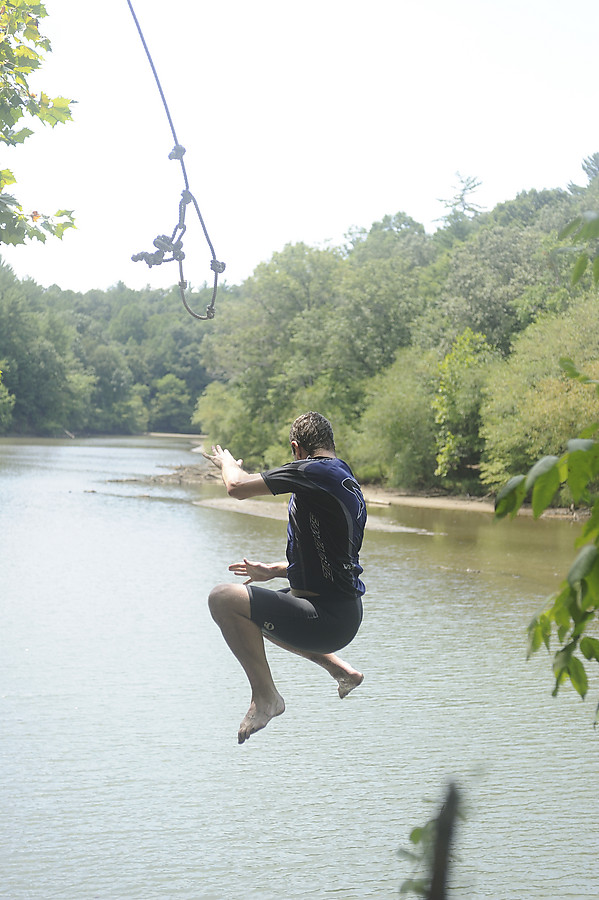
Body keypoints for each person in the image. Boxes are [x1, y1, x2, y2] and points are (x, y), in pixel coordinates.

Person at [204, 411, 367, 744]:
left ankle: (266, 697)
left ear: (296, 449)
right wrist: (272, 570)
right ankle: (341, 670)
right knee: (257, 617)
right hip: (341, 612)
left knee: (223, 599)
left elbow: (237, 487)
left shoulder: (313, 471)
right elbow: (332, 557)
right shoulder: (342, 476)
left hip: (325, 618)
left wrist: (226, 462)